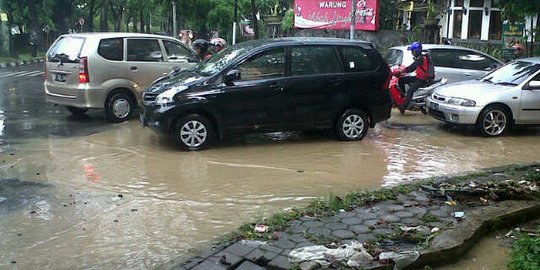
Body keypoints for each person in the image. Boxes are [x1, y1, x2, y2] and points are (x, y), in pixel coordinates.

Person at [397, 41, 435, 113]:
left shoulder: (421, 58)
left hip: (423, 79)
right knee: (401, 80)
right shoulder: (419, 58)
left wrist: (403, 71)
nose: (412, 52)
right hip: (418, 77)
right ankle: (403, 95)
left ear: (417, 51)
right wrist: (402, 70)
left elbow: (412, 67)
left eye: (413, 51)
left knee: (410, 91)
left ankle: (404, 107)